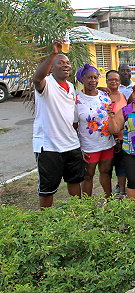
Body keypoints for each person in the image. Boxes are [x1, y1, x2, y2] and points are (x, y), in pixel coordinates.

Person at [33, 39, 83, 208]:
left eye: (67, 62)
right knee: (47, 189)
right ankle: (46, 223)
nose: (66, 65)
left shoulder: (70, 87)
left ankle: (77, 214)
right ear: (51, 67)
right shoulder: (46, 84)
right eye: (60, 63)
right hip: (49, 146)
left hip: (71, 144)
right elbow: (37, 78)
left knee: (75, 181)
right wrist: (53, 53)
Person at [74, 64, 115, 197]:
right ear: (82, 79)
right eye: (89, 77)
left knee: (106, 172)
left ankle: (109, 201)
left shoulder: (104, 95)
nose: (93, 80)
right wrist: (78, 148)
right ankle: (88, 207)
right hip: (88, 146)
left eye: (95, 77)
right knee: (88, 176)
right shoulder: (76, 99)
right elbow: (74, 126)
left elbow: (111, 116)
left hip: (107, 143)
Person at [106, 70, 128, 196]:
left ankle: (122, 191)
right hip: (106, 136)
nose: (114, 82)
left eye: (116, 79)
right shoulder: (102, 95)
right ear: (106, 81)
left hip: (121, 136)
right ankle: (108, 194)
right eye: (111, 79)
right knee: (107, 168)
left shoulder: (122, 96)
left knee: (121, 166)